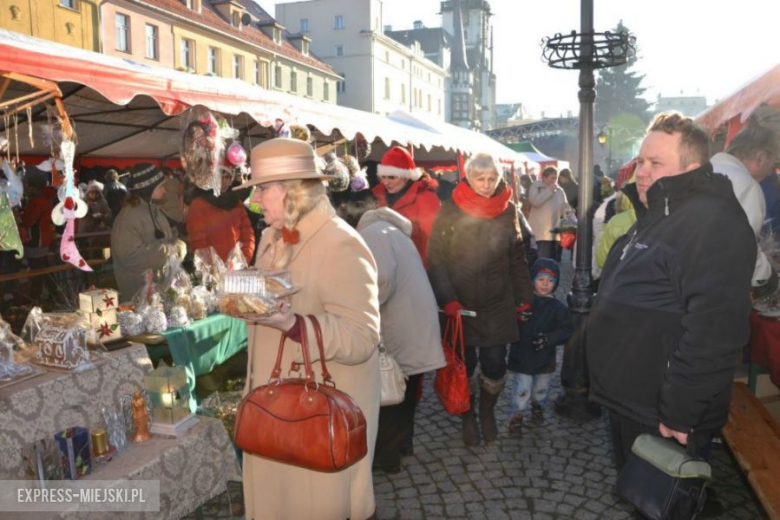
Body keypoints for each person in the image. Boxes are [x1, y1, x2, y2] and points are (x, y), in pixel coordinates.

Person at [586, 112, 756, 471]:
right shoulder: (659, 213)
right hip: (631, 400)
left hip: (662, 412)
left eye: (655, 163)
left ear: (691, 167)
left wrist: (680, 411)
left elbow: (715, 330)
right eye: (640, 161)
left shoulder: (712, 221)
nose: (641, 172)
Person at [237, 138, 381, 520]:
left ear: (291, 191)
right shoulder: (270, 238)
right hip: (273, 413)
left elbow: (363, 337)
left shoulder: (341, 243)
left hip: (317, 421)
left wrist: (294, 324)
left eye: (262, 188)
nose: (255, 199)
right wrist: (242, 298)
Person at [427, 152, 534, 446]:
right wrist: (447, 299)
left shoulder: (508, 209)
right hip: (460, 307)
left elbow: (518, 257)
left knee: (495, 364)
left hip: (498, 304)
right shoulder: (449, 209)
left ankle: (487, 411)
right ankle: (468, 416)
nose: (486, 185)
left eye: (491, 179)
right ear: (469, 179)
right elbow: (436, 260)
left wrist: (525, 298)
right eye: (480, 179)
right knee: (464, 366)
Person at [339, 192, 445, 474]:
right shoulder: (388, 229)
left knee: (391, 390)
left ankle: (387, 458)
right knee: (405, 389)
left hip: (402, 323)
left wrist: (359, 308)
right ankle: (401, 446)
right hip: (413, 320)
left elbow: (380, 280)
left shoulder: (373, 233)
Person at [507, 258, 573, 436]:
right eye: (540, 279)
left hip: (545, 357)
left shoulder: (558, 308)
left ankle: (538, 405)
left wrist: (549, 339)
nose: (545, 284)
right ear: (532, 280)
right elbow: (508, 322)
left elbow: (566, 329)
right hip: (523, 355)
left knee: (541, 389)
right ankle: (516, 416)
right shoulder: (523, 303)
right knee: (522, 389)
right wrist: (517, 317)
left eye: (550, 281)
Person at [711, 125, 778, 297]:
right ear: (761, 158)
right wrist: (766, 278)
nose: (772, 170)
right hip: (715, 290)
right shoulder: (747, 185)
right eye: (774, 162)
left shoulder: (705, 171)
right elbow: (742, 246)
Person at [111, 164, 184, 301]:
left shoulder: (156, 211)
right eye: (160, 187)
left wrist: (177, 243)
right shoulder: (128, 218)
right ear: (148, 189)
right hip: (138, 296)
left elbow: (166, 240)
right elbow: (129, 256)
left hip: (159, 293)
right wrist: (168, 251)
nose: (164, 191)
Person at [372, 146, 441, 264]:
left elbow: (434, 243)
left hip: (416, 270)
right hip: (387, 269)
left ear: (406, 176)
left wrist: (425, 274)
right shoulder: (377, 196)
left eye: (392, 177)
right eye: (383, 177)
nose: (386, 182)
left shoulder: (425, 199)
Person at [186, 167, 255, 262]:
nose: (223, 181)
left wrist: (244, 259)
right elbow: (198, 242)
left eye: (227, 177)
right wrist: (212, 267)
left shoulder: (236, 203)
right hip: (213, 270)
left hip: (236, 268)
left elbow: (248, 234)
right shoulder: (199, 205)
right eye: (219, 177)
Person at [19, 170, 58, 302]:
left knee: (38, 270)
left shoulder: (37, 202)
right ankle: (53, 294)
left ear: (34, 187)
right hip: (41, 239)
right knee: (44, 268)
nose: (27, 188)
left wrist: (21, 219)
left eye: (29, 186)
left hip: (36, 240)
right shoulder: (44, 200)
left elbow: (29, 220)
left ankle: (35, 297)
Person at [527, 166, 569, 261]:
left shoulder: (559, 190)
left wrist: (569, 211)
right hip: (540, 232)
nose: (555, 180)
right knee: (541, 260)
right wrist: (549, 191)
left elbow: (564, 206)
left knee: (552, 261)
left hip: (554, 231)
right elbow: (535, 202)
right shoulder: (536, 187)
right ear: (544, 178)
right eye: (552, 178)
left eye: (556, 178)